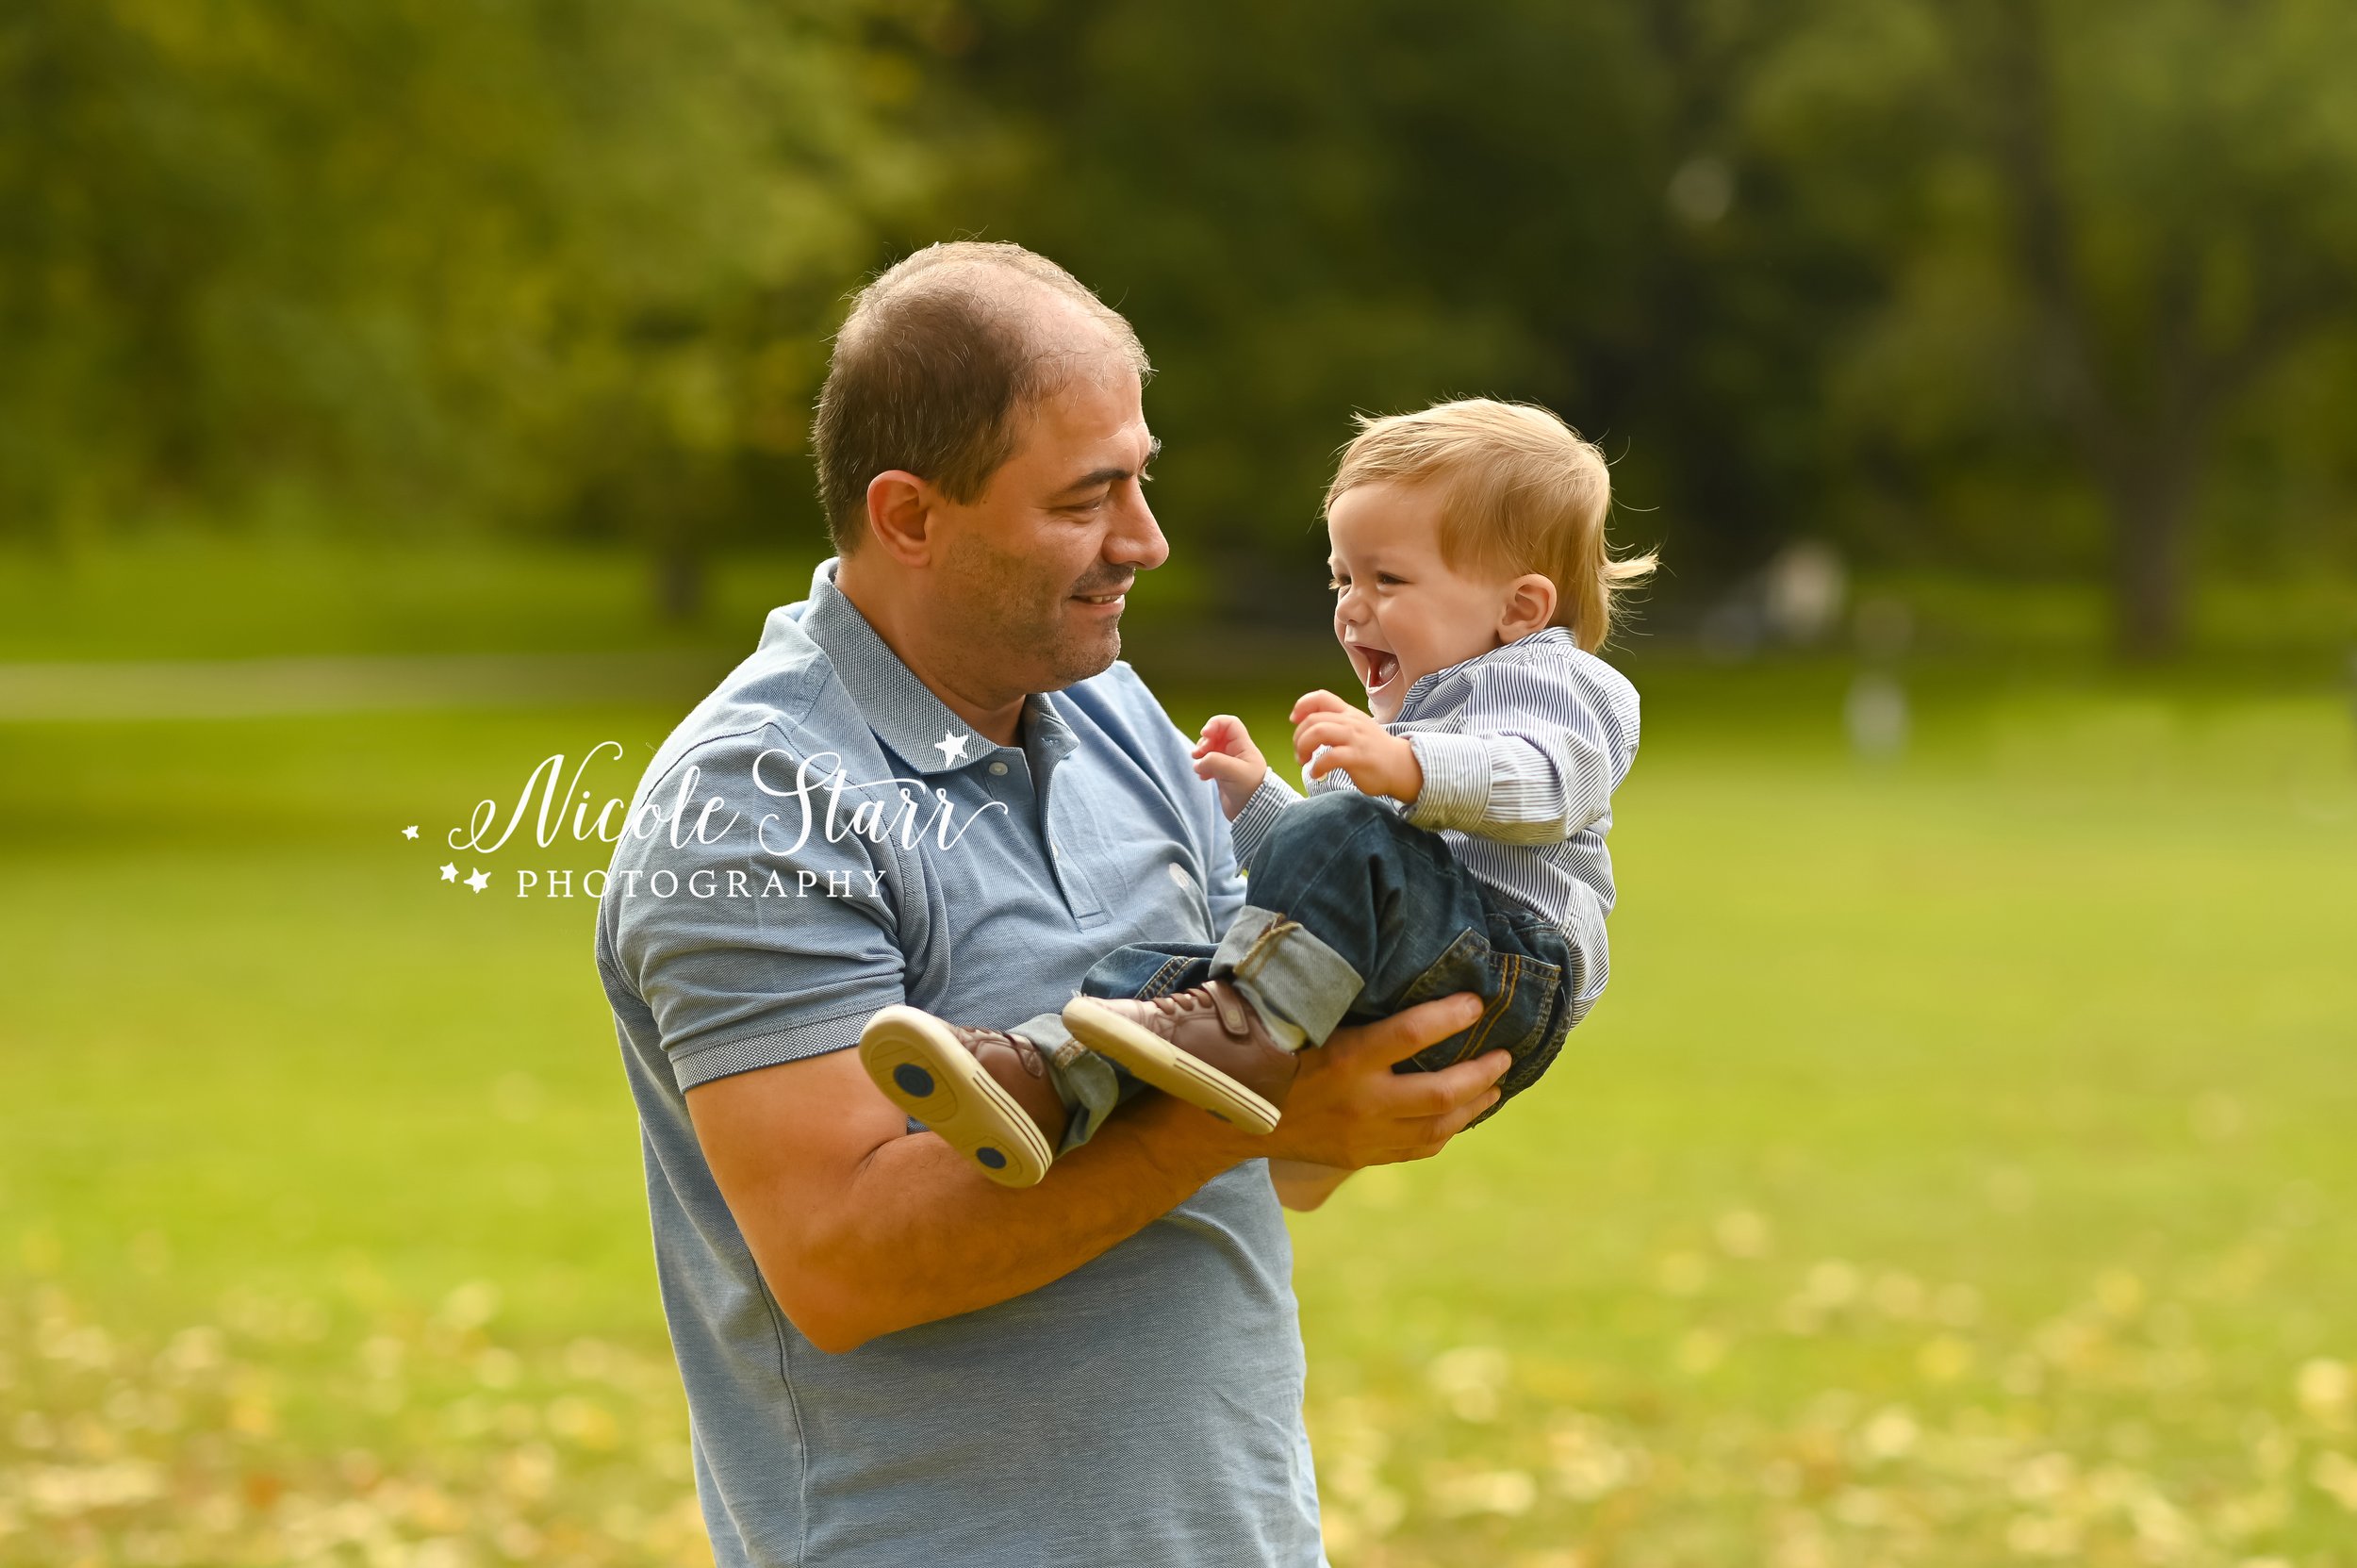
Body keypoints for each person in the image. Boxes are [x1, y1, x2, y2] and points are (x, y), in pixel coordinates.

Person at [592, 240, 1510, 1568]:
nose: (1145, 537)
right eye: (1089, 497)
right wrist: (1243, 1111)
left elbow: (1278, 1155)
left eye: (1141, 474)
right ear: (909, 514)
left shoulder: (1117, 712)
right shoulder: (752, 804)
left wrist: (1368, 1069)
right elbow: (844, 1262)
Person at [860, 400, 1650, 1184]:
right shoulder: (1395, 731)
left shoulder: (1553, 678)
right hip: (1407, 953)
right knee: (1166, 973)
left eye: (1387, 578)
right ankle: (1049, 1075)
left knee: (1325, 854)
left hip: (1513, 965)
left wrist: (1405, 768)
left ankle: (1222, 1033)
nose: (1351, 606)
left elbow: (1552, 784)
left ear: (1521, 608)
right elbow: (1327, 889)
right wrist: (1257, 800)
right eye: (1342, 576)